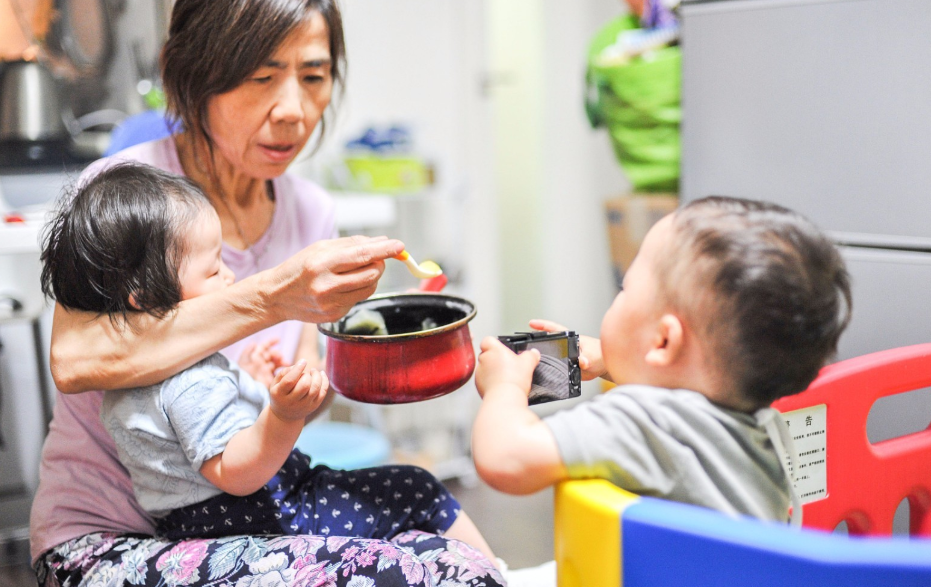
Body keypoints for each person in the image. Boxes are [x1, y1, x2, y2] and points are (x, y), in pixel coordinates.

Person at [30, 1, 504, 586]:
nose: (293, 110)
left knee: (430, 523)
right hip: (108, 539)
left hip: (253, 513)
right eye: (261, 78)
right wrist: (274, 297)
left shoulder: (311, 209)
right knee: (394, 572)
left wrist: (375, 360)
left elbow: (301, 387)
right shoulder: (128, 195)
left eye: (313, 76)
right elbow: (75, 362)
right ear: (195, 72)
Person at [471, 196, 852, 583]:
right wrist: (613, 360)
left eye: (625, 287)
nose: (618, 294)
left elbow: (506, 459)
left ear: (663, 342)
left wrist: (505, 386)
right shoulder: (758, 417)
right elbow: (689, 397)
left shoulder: (641, 422)